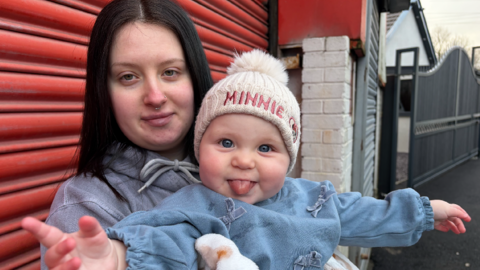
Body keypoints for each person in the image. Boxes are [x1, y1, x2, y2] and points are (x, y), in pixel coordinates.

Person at [23, 50, 471, 270]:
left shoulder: (312, 198)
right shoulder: (194, 205)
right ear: (200, 147)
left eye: (265, 148)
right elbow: (165, 243)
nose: (243, 161)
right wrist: (116, 256)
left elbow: (364, 213)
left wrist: (428, 212)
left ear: (290, 158)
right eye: (225, 143)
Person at [39, 0, 213, 268]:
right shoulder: (85, 207)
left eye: (170, 72)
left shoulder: (244, 168)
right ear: (104, 92)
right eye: (129, 77)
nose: (155, 97)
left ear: (195, 77)